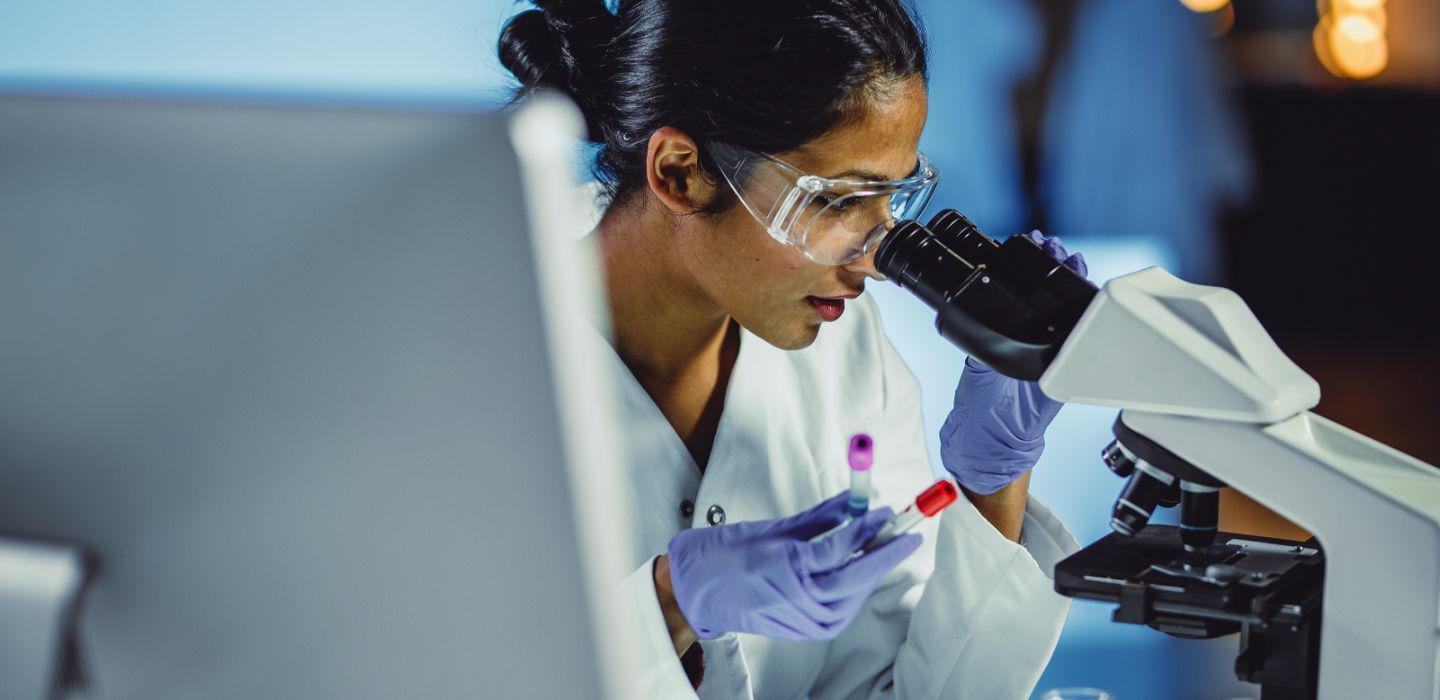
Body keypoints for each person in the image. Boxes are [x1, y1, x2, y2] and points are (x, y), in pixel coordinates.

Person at [499, 1, 1085, 697]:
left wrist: (993, 489)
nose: (871, 261)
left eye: (890, 197)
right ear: (680, 172)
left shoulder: (843, 348)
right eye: (837, 202)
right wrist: (667, 604)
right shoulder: (469, 345)